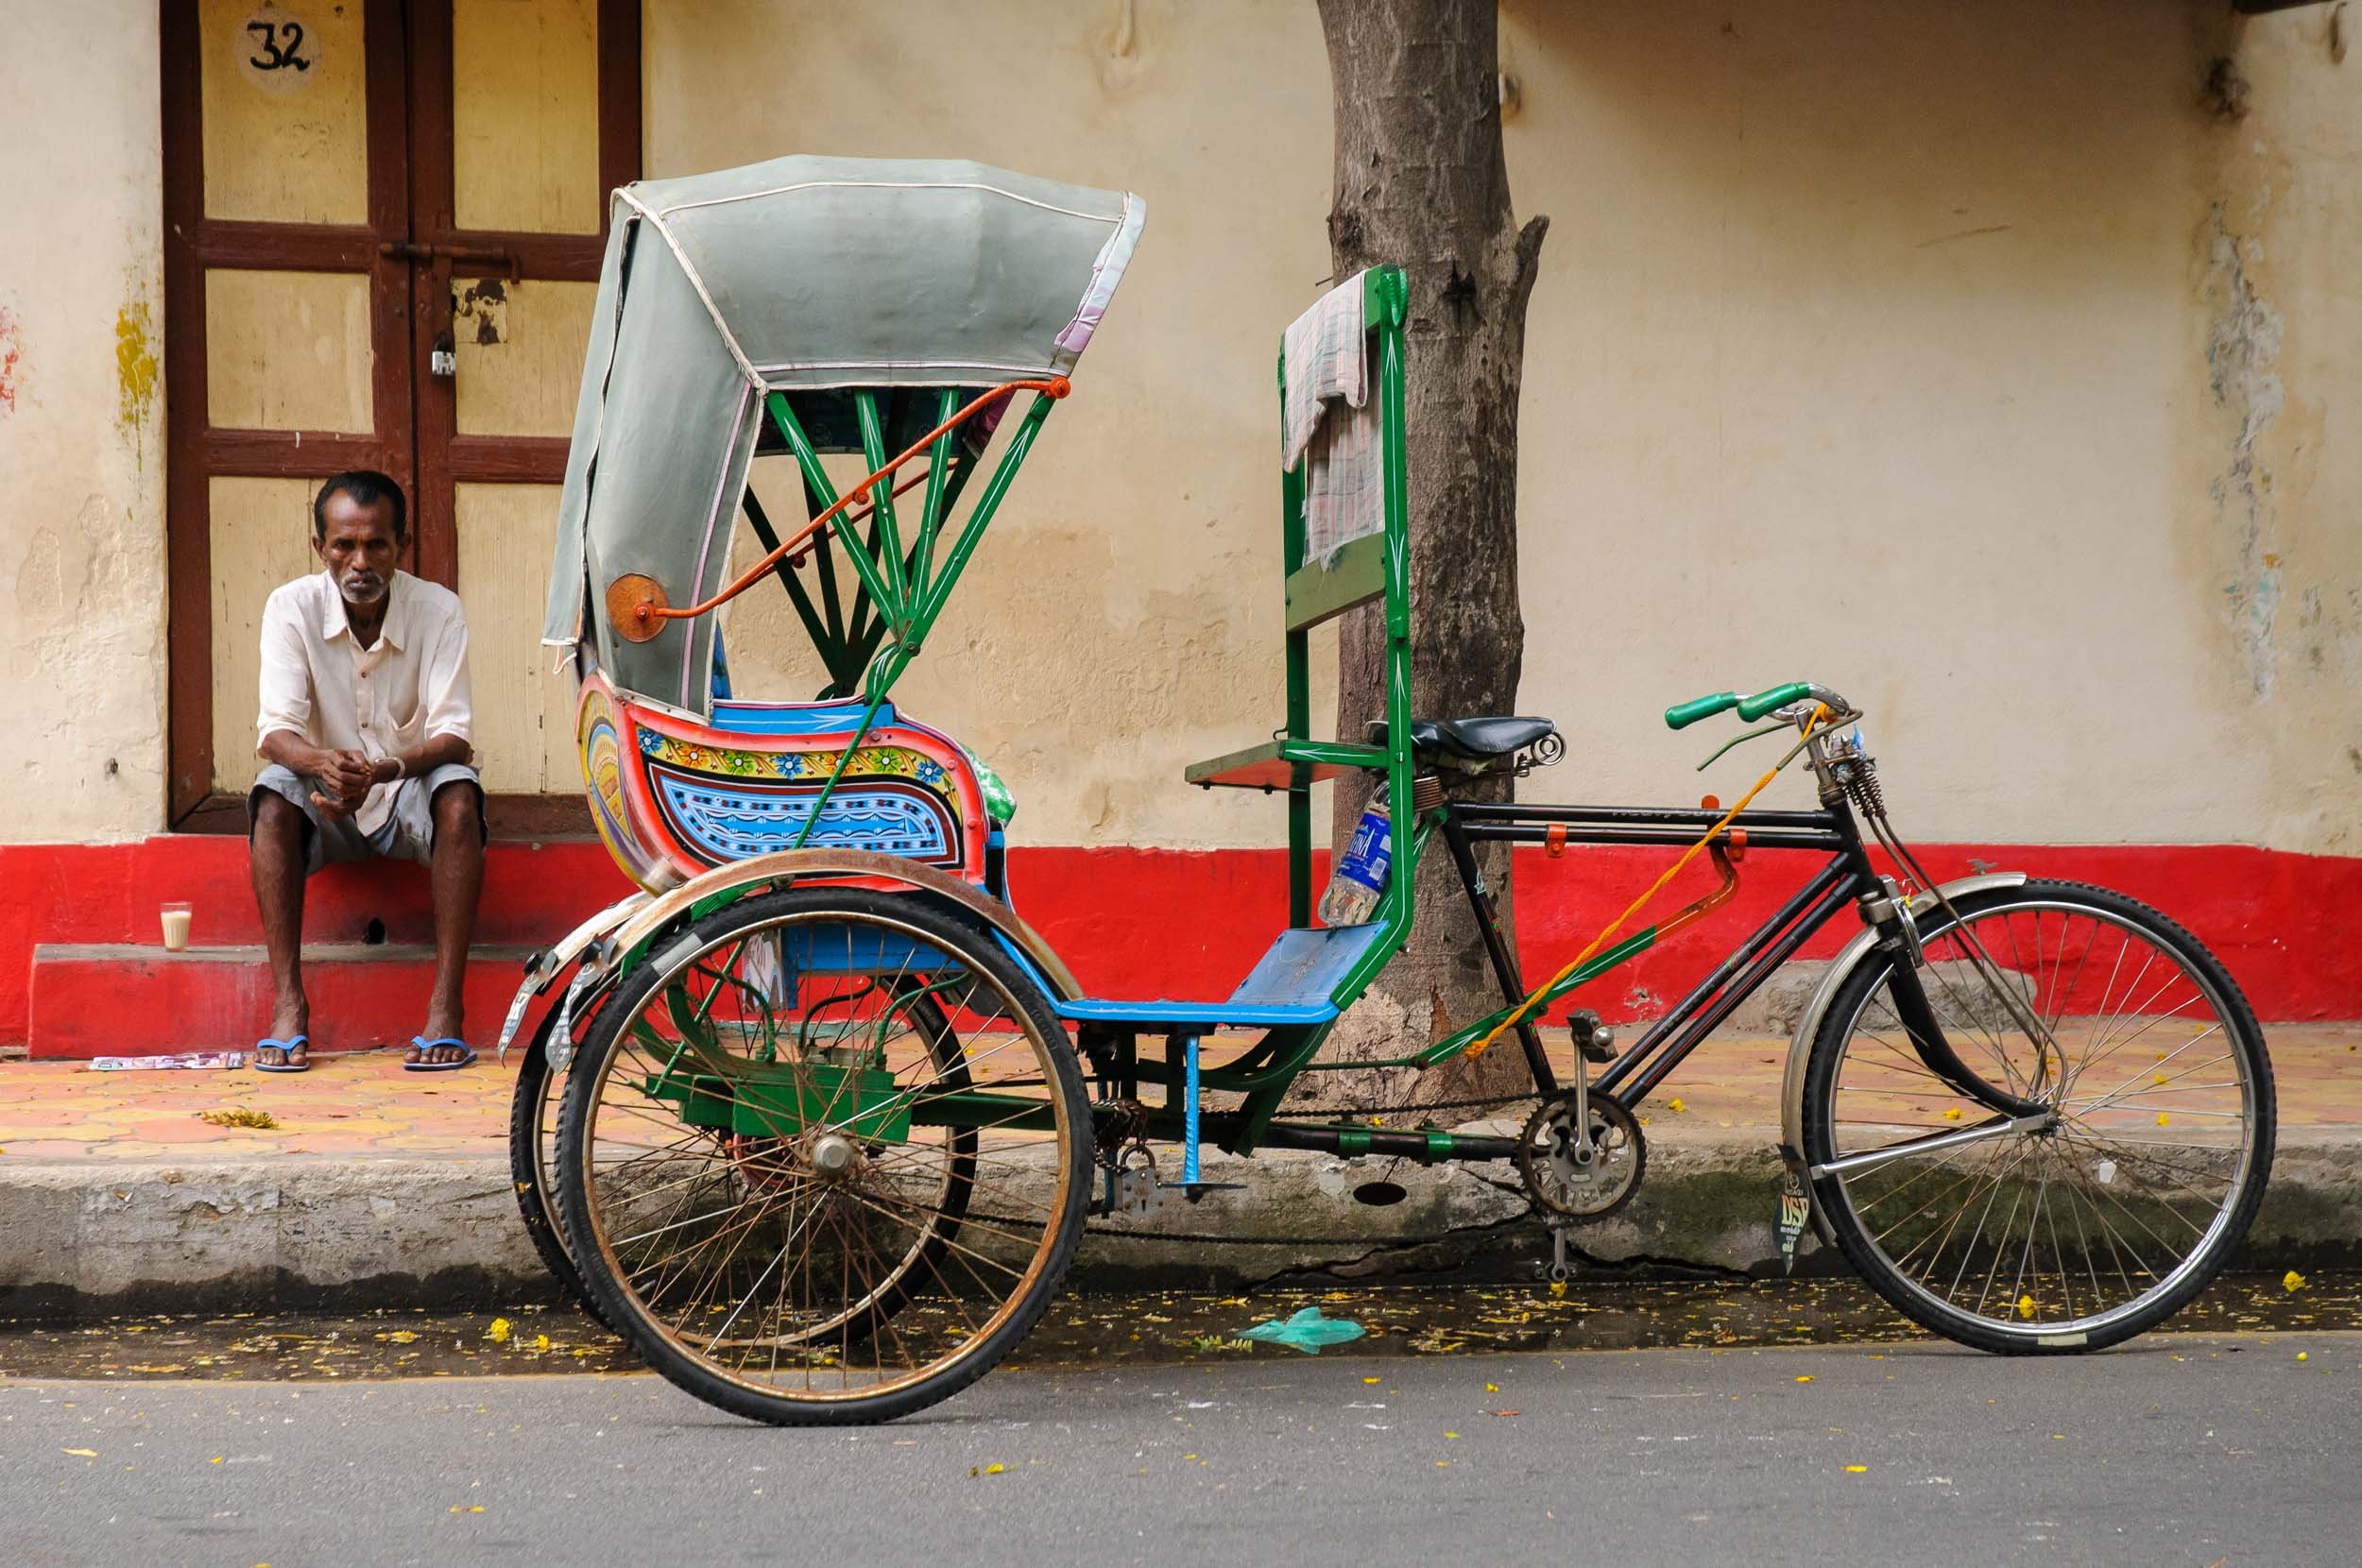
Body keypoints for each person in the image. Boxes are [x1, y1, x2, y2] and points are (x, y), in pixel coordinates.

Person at [247, 471, 484, 1073]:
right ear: (319, 547)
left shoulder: (439, 611)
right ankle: (289, 1007)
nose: (360, 561)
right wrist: (322, 764)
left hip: (402, 790)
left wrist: (382, 770)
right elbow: (274, 732)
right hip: (320, 794)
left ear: (400, 545)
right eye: (342, 545)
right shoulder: (291, 607)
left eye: (376, 545)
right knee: (272, 800)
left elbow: (454, 736)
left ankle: (445, 1012)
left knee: (459, 795)